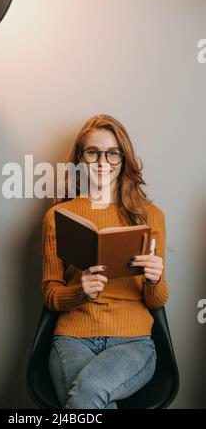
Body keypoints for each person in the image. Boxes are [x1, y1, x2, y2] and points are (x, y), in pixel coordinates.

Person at [41, 114, 169, 409]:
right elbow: (49, 295)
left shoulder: (151, 216)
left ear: (123, 159)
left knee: (88, 392)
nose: (102, 162)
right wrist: (79, 291)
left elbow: (157, 298)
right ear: (79, 158)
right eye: (93, 152)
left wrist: (155, 279)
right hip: (73, 340)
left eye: (112, 153)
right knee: (88, 399)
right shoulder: (57, 217)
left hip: (133, 343)